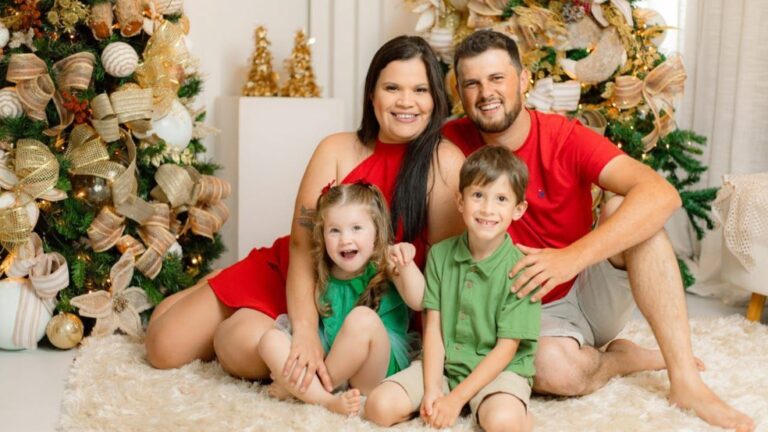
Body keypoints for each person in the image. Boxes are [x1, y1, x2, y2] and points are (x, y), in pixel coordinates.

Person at [439, 30, 754, 431]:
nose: (486, 93)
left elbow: (663, 195)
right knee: (555, 371)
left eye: (497, 78)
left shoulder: (564, 137)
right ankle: (622, 359)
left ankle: (686, 382)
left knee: (628, 205)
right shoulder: (449, 144)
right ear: (460, 93)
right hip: (526, 312)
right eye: (472, 83)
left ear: (523, 80)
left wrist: (571, 259)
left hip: (585, 288)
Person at [144, 36, 466, 397]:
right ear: (371, 95)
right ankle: (218, 283)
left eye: (420, 90)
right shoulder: (336, 148)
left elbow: (444, 273)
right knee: (163, 347)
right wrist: (305, 332)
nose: (406, 101)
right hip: (301, 278)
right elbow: (301, 246)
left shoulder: (445, 163)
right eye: (392, 88)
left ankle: (236, 311)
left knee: (240, 349)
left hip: (364, 304)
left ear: (436, 98)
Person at [366, 146, 539, 432]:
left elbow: (506, 349)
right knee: (378, 407)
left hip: (499, 372)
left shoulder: (523, 269)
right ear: (460, 201)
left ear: (518, 209)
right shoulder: (440, 255)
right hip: (445, 367)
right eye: (478, 195)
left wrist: (456, 400)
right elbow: (433, 328)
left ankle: (516, 414)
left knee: (502, 423)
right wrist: (433, 389)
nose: (487, 209)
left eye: (501, 199)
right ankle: (432, 403)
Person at [258, 183, 424, 416]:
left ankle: (305, 387)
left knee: (363, 318)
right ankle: (326, 400)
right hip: (331, 351)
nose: (345, 239)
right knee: (269, 340)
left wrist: (407, 265)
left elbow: (419, 300)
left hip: (373, 368)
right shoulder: (324, 268)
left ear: (376, 232)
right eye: (334, 231)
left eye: (356, 228)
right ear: (322, 235)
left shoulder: (386, 261)